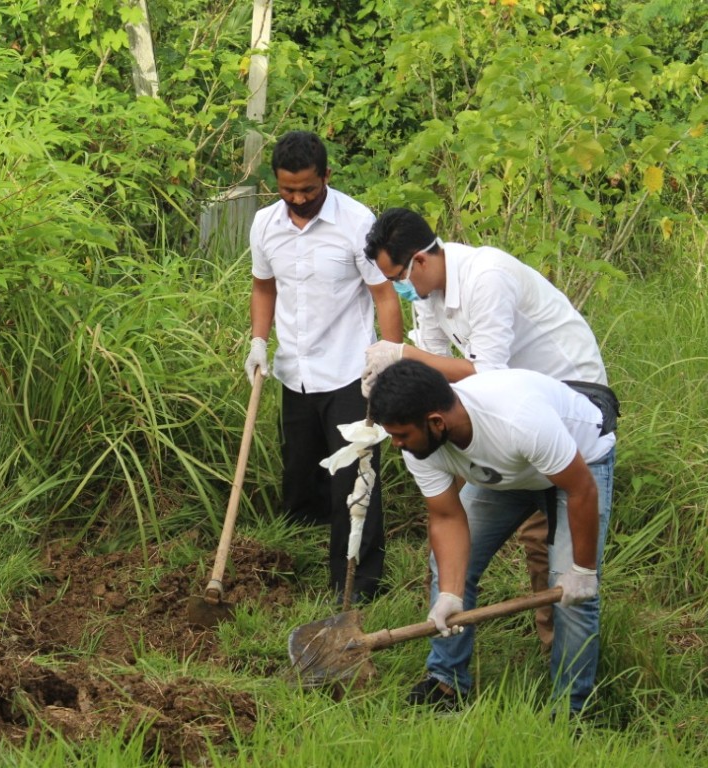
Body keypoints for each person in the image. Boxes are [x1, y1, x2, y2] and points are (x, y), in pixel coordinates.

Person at [361, 207, 613, 653]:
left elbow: (487, 372)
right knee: (453, 558)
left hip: (570, 400)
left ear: (419, 260)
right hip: (496, 414)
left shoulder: (486, 275)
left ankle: (567, 694)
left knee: (559, 564)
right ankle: (445, 680)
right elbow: (436, 386)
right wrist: (400, 378)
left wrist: (403, 353)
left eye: (397, 275)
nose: (398, 289)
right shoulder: (429, 295)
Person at [368, 360, 615, 716]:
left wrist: (584, 570)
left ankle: (572, 709)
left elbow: (581, 491)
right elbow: (447, 515)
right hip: (505, 474)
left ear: (436, 422)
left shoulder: (517, 419)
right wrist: (451, 593)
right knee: (448, 570)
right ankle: (447, 681)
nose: (396, 444)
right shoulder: (419, 444)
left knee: (572, 594)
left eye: (401, 435)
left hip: (579, 464)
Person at [243, 130, 402, 603]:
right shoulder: (265, 224)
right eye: (287, 189)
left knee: (354, 480)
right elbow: (263, 287)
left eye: (307, 190)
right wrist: (258, 340)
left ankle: (359, 587)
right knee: (300, 476)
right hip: (295, 370)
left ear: (327, 177)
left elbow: (383, 294)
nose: (297, 199)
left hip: (351, 373)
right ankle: (295, 561)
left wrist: (389, 360)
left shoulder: (357, 223)